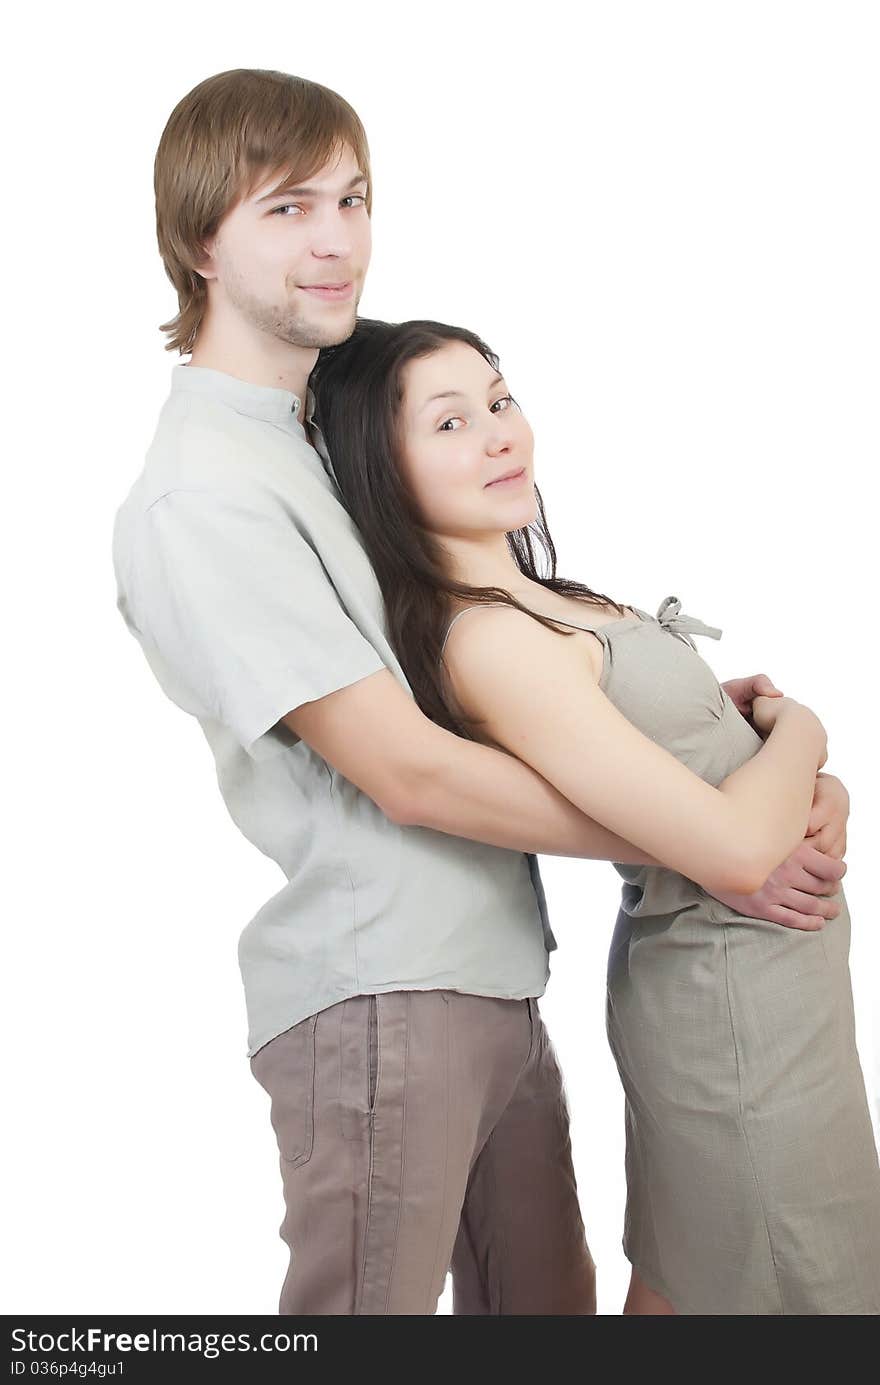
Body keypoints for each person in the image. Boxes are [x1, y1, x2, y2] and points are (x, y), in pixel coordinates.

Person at [112, 68, 851, 1316]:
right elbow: (408, 767)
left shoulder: (311, 438)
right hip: (379, 992)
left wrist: (693, 744)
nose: (338, 239)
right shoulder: (207, 493)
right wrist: (711, 835)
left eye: (352, 197)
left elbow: (479, 679)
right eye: (288, 208)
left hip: (489, 978)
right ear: (198, 240)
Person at [306, 315, 880, 1315]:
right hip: (727, 991)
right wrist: (808, 729)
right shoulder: (487, 636)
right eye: (449, 422)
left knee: (726, 1273)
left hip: (770, 985)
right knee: (762, 1275)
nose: (499, 433)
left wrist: (810, 789)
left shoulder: (538, 593)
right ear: (378, 470)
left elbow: (711, 782)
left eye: (497, 398)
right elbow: (738, 845)